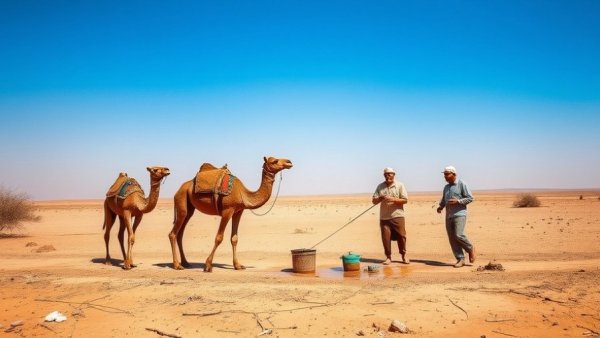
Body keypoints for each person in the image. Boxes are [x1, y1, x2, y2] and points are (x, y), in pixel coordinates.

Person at [436, 166, 476, 268]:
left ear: (454, 174)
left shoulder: (461, 183)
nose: (445, 176)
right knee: (452, 239)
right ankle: (460, 259)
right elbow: (444, 199)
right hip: (448, 215)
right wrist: (440, 207)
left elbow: (470, 198)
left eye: (447, 174)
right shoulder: (446, 187)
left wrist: (458, 201)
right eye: (444, 174)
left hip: (460, 214)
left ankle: (470, 248)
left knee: (459, 234)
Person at [372, 167, 409, 265]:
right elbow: (374, 201)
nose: (388, 176)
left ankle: (403, 255)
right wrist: (380, 198)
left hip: (397, 215)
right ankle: (388, 257)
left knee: (401, 236)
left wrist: (393, 199)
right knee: (385, 238)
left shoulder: (400, 185)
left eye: (390, 174)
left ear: (394, 175)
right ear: (384, 175)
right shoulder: (380, 186)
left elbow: (405, 200)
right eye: (386, 174)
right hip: (384, 217)